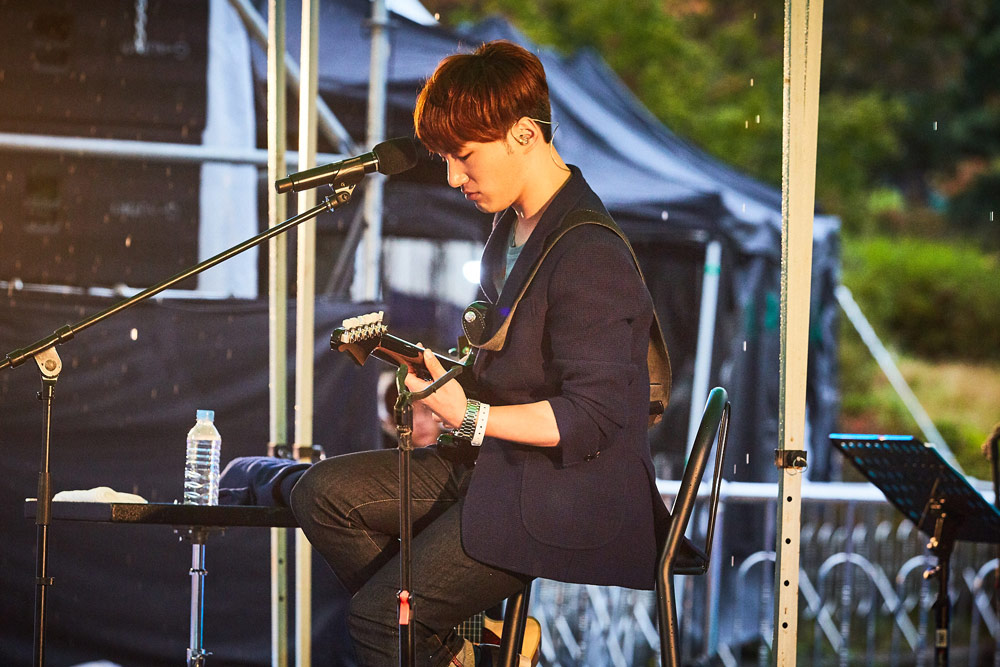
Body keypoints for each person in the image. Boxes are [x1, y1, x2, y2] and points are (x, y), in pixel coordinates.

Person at [290, 40, 672, 666]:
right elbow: (505, 369)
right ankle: (464, 647)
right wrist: (439, 382)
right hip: (501, 468)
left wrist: (468, 415)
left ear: (524, 133)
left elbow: (592, 418)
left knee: (382, 620)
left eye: (464, 156)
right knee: (321, 495)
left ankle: (435, 638)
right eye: (445, 158)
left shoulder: (589, 253)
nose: (451, 177)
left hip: (568, 493)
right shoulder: (510, 232)